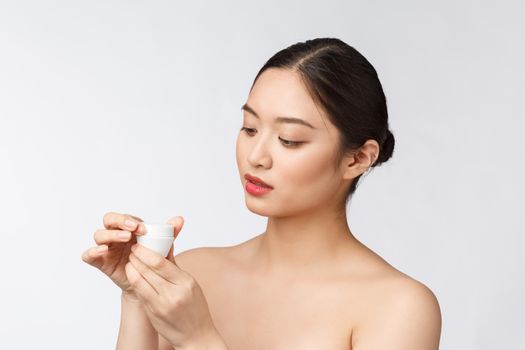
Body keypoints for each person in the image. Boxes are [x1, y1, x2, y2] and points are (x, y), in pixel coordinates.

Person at [81, 37, 442, 349]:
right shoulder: (193, 274)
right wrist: (136, 294)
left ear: (358, 158)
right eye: (250, 128)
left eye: (289, 140)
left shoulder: (398, 307)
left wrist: (199, 340)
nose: (256, 157)